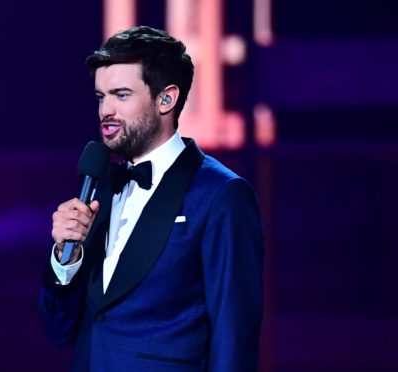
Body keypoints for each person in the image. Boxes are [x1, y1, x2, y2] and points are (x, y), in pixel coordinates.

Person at [38, 25, 264, 371]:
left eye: (121, 95)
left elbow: (234, 339)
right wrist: (64, 259)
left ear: (166, 99)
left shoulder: (221, 195)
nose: (106, 111)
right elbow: (62, 330)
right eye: (101, 97)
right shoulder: (101, 186)